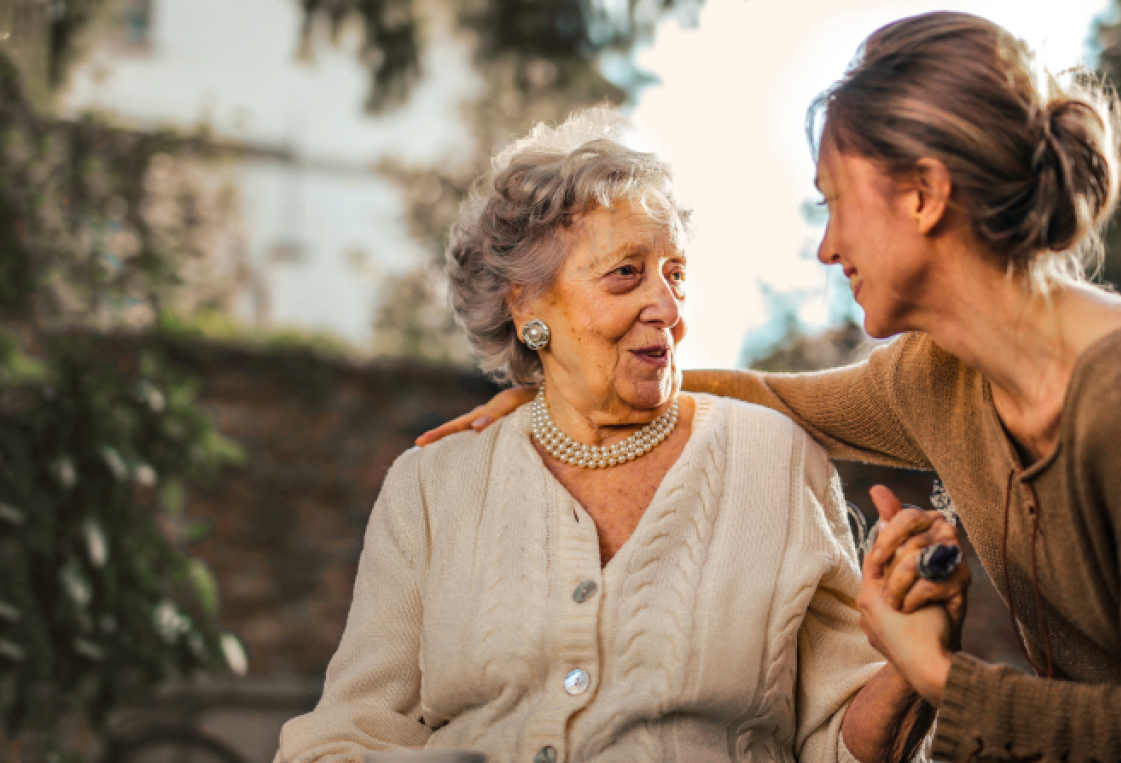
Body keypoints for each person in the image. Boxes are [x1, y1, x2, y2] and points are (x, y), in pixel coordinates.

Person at [417, 13, 1121, 762]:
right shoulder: (940, 376)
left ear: (925, 195)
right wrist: (568, 391)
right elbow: (777, 398)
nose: (827, 248)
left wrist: (938, 673)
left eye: (835, 202)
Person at [276, 108, 950, 763]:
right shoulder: (431, 485)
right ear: (527, 302)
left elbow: (847, 745)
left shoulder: (777, 461)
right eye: (626, 272)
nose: (668, 308)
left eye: (675, 274)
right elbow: (350, 731)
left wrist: (911, 662)